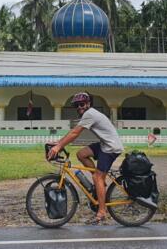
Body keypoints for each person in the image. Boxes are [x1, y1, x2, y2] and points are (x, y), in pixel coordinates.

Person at [47, 92, 124, 224]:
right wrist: (58, 143)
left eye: (82, 104)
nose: (79, 107)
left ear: (88, 104)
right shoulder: (89, 114)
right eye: (77, 105)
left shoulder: (90, 114)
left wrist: (59, 146)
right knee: (81, 154)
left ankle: (102, 211)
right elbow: (73, 131)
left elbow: (75, 133)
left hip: (111, 148)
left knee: (98, 177)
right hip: (105, 145)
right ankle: (100, 184)